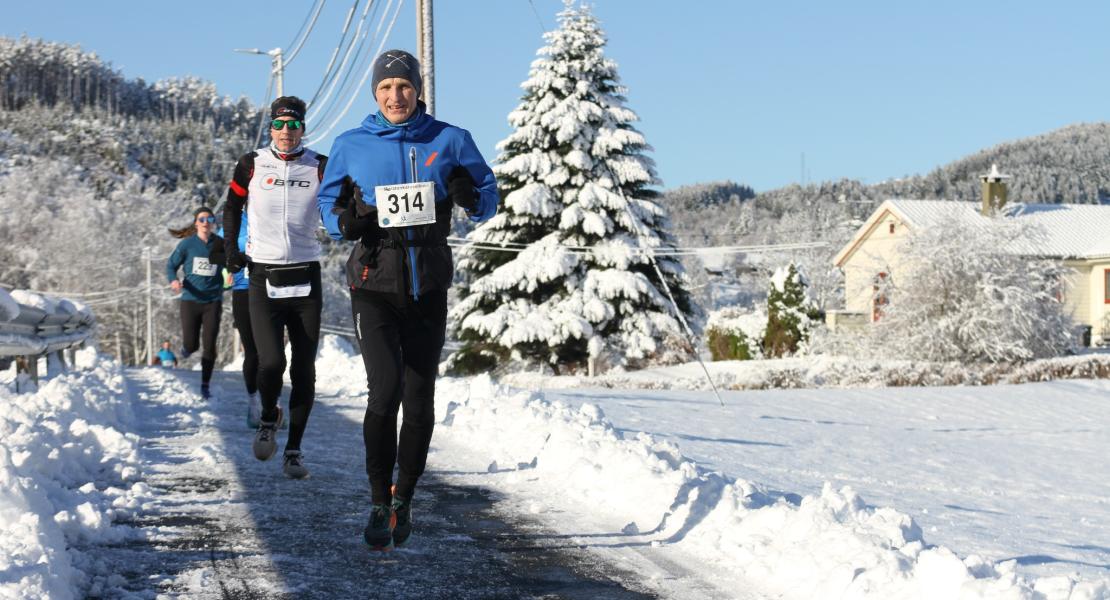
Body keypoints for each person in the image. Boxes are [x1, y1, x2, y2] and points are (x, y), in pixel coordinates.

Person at [317, 49, 498, 550]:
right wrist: (346, 222)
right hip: (373, 284)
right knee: (385, 390)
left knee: (419, 398)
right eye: (385, 88)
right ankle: (378, 498)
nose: (395, 96)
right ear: (374, 93)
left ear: (418, 90)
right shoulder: (351, 144)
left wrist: (470, 195)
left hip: (428, 286)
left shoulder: (450, 139)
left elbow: (489, 195)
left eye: (404, 86)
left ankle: (405, 497)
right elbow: (328, 207)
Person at [223, 96, 328, 479]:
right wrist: (231, 250)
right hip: (263, 275)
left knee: (304, 369)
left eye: (294, 125)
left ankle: (294, 451)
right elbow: (231, 207)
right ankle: (269, 417)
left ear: (303, 129)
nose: (287, 131)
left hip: (306, 274)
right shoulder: (251, 164)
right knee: (270, 362)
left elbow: (342, 204)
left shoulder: (319, 165)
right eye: (280, 124)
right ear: (271, 128)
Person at [166, 207, 226, 399]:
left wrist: (231, 275)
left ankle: (205, 384)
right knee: (191, 345)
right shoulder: (187, 245)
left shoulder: (220, 244)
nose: (206, 222)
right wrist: (174, 281)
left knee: (210, 344)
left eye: (210, 219)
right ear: (196, 223)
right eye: (202, 219)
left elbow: (229, 266)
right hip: (191, 300)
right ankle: (187, 348)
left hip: (213, 301)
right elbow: (171, 265)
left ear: (214, 222)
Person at [218, 212, 263, 428]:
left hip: (271, 290)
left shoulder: (272, 213)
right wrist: (229, 265)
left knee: (272, 352)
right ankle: (254, 403)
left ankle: (272, 402)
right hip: (243, 291)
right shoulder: (235, 222)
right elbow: (215, 253)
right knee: (253, 351)